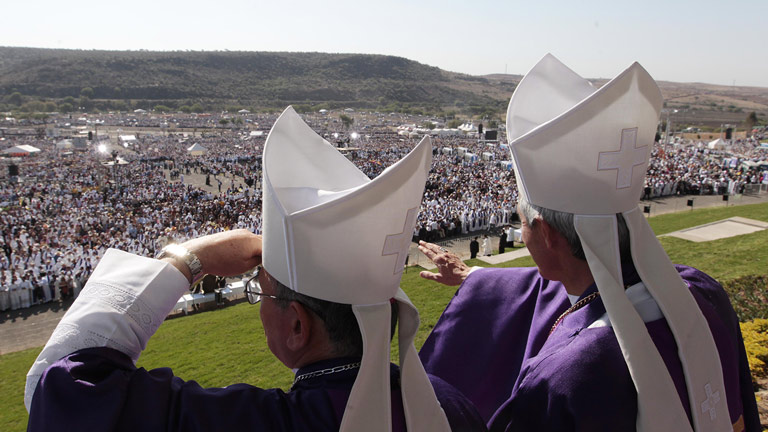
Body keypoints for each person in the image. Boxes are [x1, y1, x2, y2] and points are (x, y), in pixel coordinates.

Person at [25, 107, 484, 432]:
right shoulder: (448, 405)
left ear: (298, 325)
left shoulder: (251, 421)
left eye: (262, 293)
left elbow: (62, 390)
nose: (260, 305)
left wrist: (184, 260)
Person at [417, 55, 760, 431]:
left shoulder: (565, 372)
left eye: (521, 221)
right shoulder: (702, 291)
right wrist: (475, 279)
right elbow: (588, 285)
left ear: (546, 232)